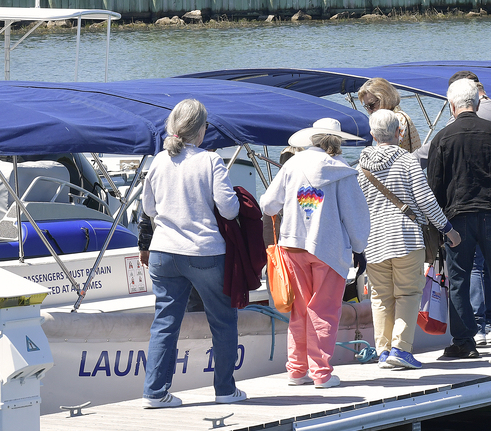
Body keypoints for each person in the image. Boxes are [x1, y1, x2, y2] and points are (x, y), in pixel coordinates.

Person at [140, 100, 247, 407]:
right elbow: (229, 209)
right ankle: (225, 389)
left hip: (163, 251)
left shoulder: (159, 161)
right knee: (223, 321)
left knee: (164, 322)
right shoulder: (210, 161)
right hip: (203, 251)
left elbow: (148, 209)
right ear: (201, 130)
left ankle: (155, 392)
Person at [259, 117, 370, 389]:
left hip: (293, 245)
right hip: (328, 248)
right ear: (336, 142)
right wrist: (359, 248)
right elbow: (355, 217)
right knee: (324, 311)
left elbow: (268, 204)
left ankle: (297, 371)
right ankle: (321, 373)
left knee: (299, 310)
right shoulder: (342, 171)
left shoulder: (292, 165)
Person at [357, 109, 459, 370]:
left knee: (380, 297)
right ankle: (401, 349)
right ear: (399, 133)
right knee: (408, 293)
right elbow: (425, 200)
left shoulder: (360, 164)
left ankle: (382, 351)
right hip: (405, 238)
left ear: (372, 134)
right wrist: (447, 229)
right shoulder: (406, 160)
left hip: (374, 240)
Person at [427, 79, 491, 359]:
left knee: (459, 279)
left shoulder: (442, 137)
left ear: (451, 105)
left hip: (457, 217)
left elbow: (435, 185)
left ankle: (465, 342)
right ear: (477, 103)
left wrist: (439, 225)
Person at [357, 78, 421, 152]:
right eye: (366, 107)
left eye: (372, 105)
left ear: (384, 99)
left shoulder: (396, 119)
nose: (370, 111)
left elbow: (387, 153)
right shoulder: (400, 116)